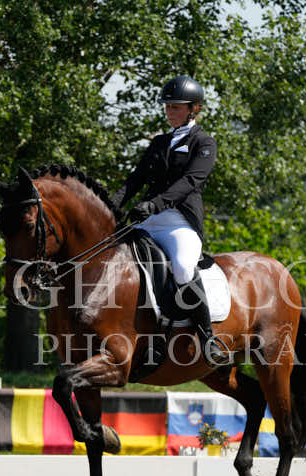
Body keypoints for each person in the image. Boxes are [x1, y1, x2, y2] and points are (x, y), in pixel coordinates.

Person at [111, 75, 228, 367]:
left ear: (193, 109)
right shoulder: (159, 142)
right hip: (147, 219)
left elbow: (191, 181)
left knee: (183, 267)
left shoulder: (204, 142)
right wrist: (110, 206)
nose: (169, 111)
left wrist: (156, 204)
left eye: (175, 107)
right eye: (167, 107)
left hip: (179, 222)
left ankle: (207, 337)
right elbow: (135, 179)